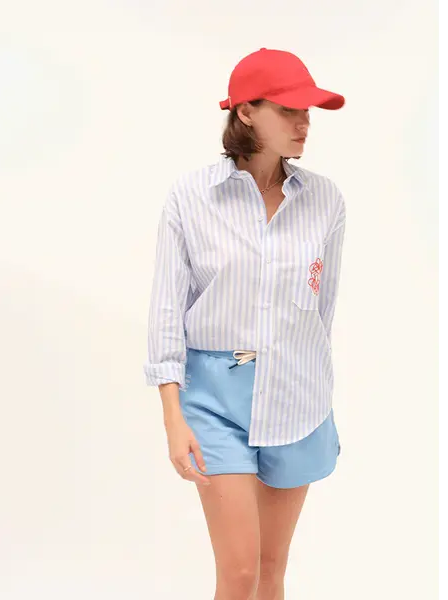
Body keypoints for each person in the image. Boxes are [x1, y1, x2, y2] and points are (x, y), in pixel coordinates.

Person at [144, 47, 347, 600]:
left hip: (298, 395)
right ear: (246, 111)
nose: (304, 123)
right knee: (238, 575)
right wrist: (173, 416)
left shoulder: (325, 200)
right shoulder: (191, 196)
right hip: (214, 397)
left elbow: (322, 309)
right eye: (289, 110)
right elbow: (167, 309)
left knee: (271, 569)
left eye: (309, 111)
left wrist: (315, 382)